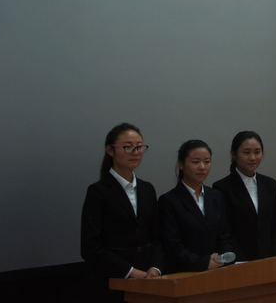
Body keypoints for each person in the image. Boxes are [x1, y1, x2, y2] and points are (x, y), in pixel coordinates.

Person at [81, 123, 163, 300]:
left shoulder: (147, 189)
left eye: (139, 147)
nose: (136, 152)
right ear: (110, 150)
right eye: (127, 147)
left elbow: (157, 236)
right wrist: (130, 271)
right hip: (113, 282)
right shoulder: (98, 191)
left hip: (150, 280)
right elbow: (90, 247)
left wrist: (155, 267)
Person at [158, 140, 234, 272]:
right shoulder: (169, 201)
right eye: (195, 162)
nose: (202, 167)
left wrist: (222, 257)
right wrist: (204, 262)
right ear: (181, 164)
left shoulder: (216, 196)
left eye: (207, 161)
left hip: (218, 271)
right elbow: (172, 245)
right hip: (185, 272)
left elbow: (225, 236)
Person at [213, 131, 276, 261]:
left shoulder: (270, 184)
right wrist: (240, 261)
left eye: (257, 152)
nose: (253, 158)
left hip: (269, 260)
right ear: (234, 154)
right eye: (246, 152)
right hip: (239, 262)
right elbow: (225, 231)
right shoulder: (222, 187)